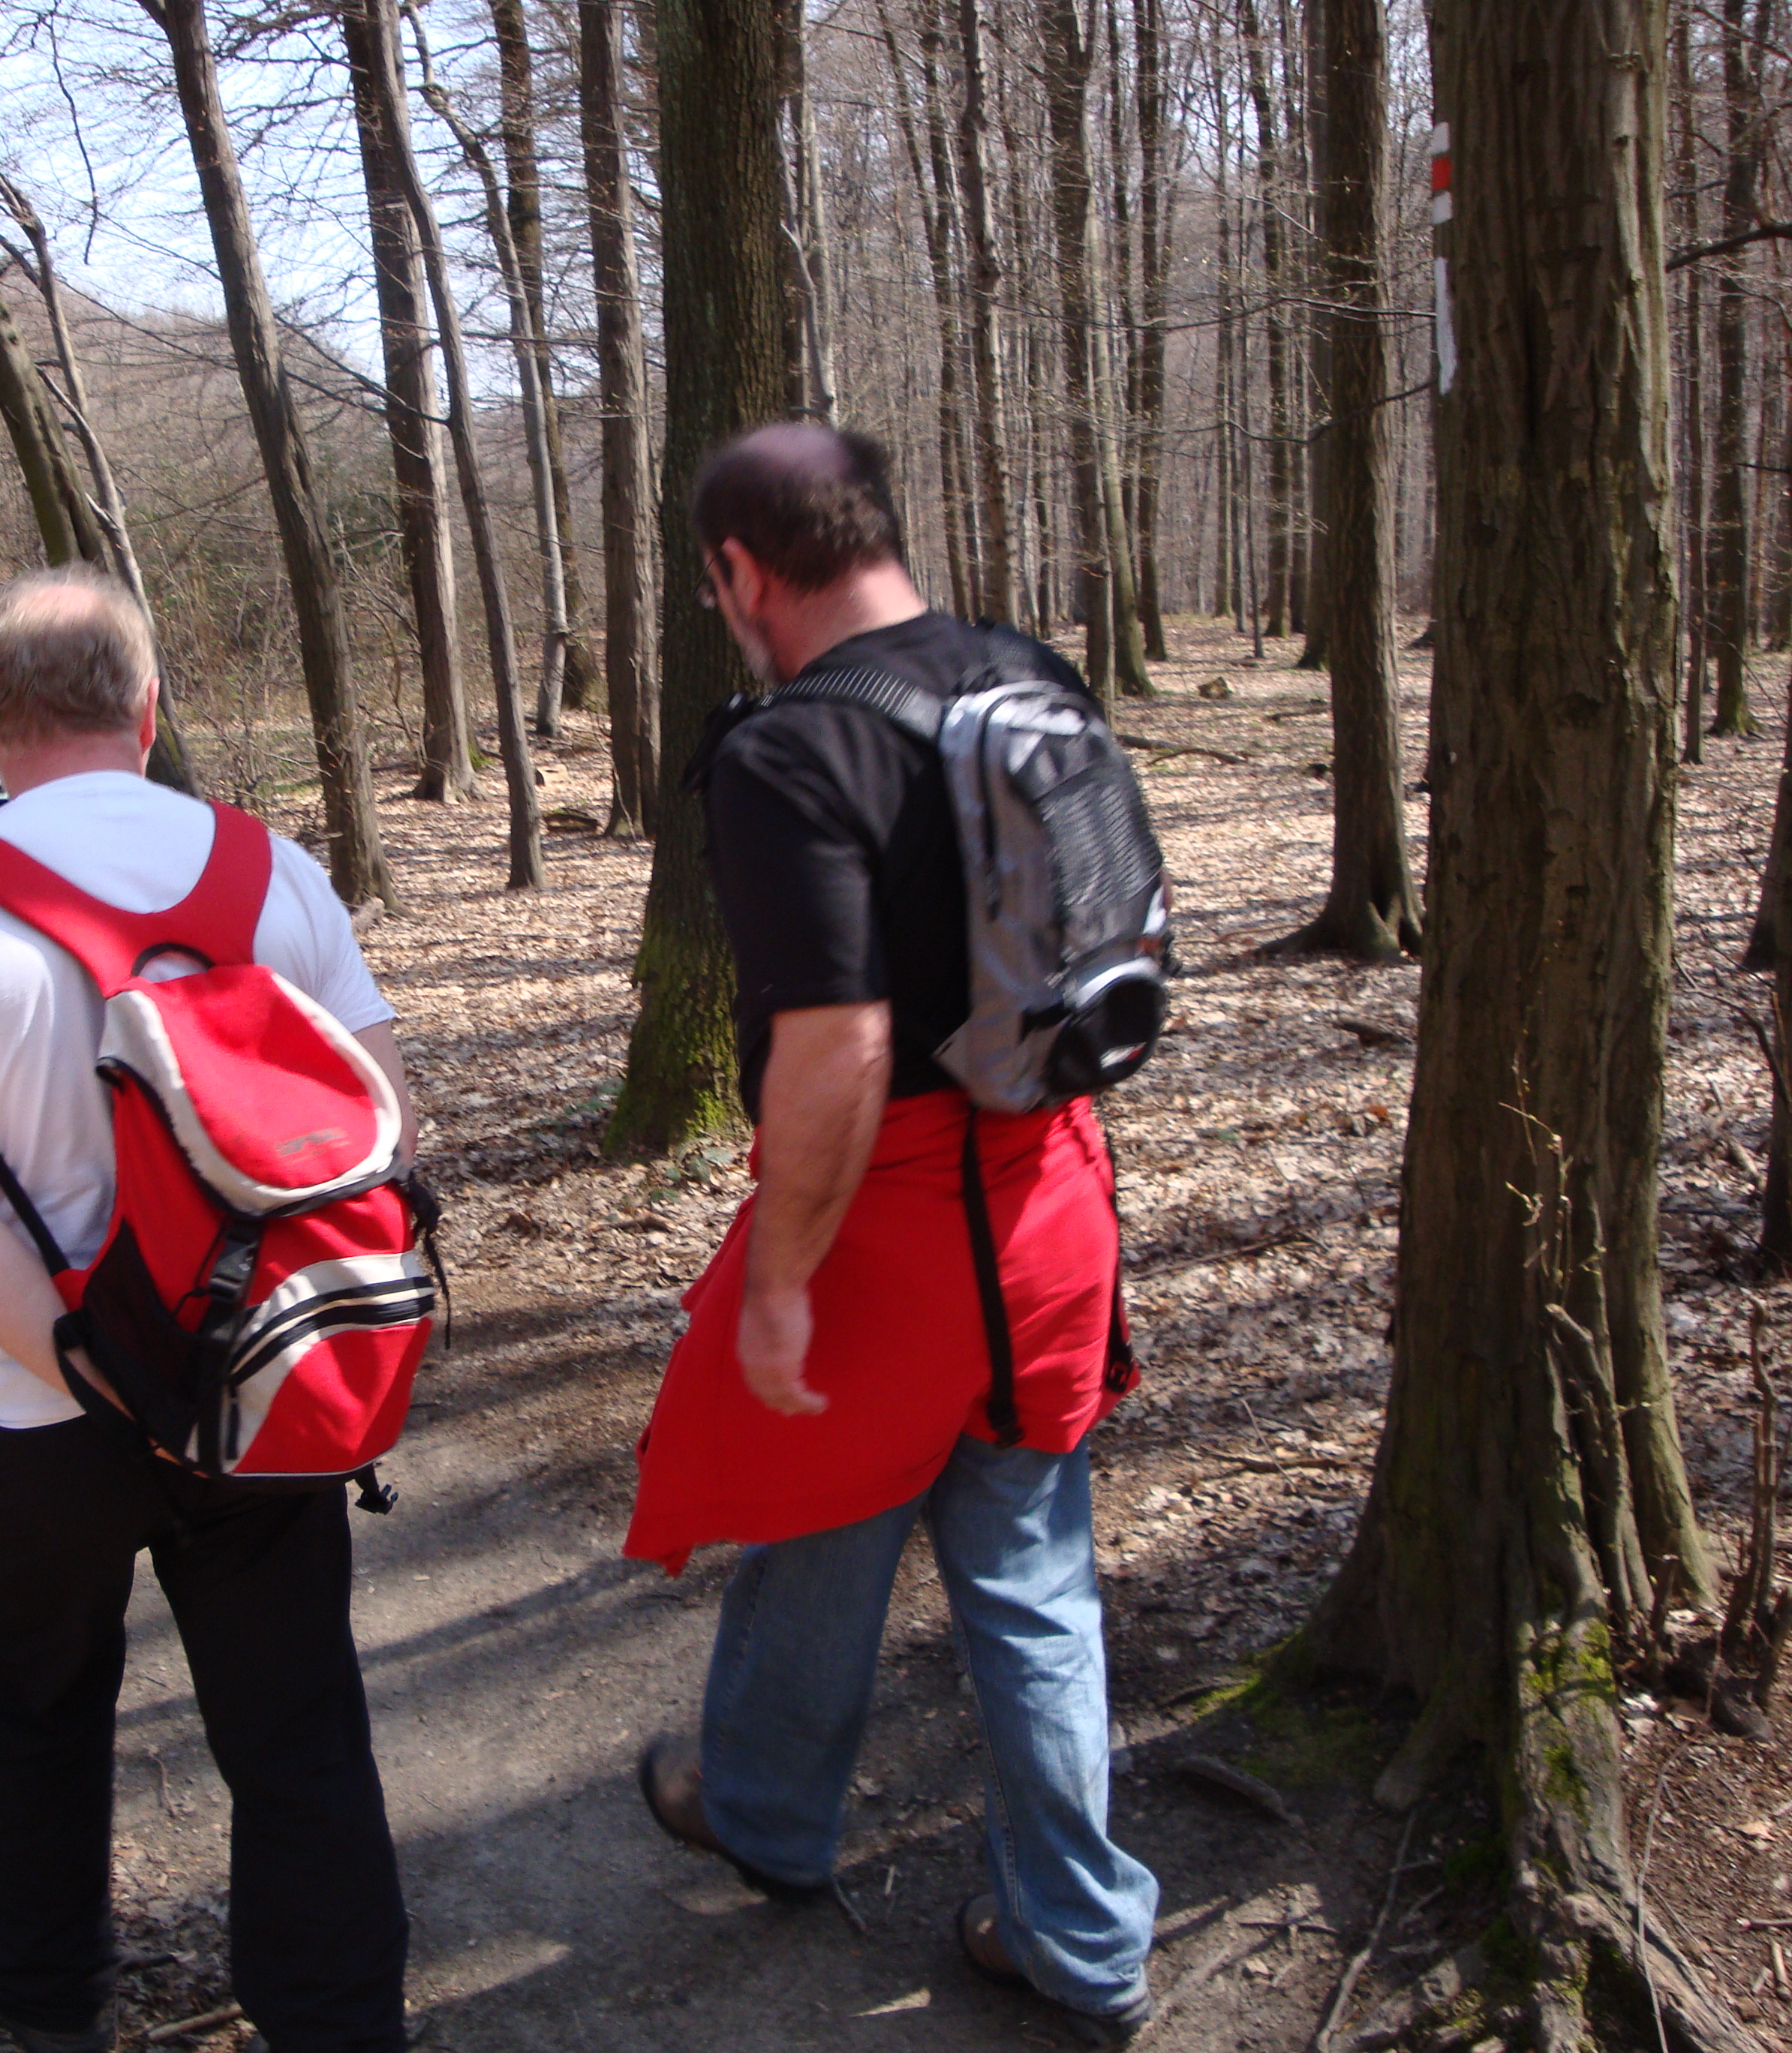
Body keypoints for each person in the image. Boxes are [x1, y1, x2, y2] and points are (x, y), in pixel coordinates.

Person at [623, 424, 1159, 2045]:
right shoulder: (1027, 672)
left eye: (713, 584)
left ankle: (793, 1824)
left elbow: (837, 1048)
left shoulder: (793, 752)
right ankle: (1046, 1923)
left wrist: (783, 1275)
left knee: (844, 1511)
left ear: (741, 571)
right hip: (1056, 1192)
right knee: (1018, 1559)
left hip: (900, 1217)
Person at [0, 566, 412, 2053]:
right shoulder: (269, 873)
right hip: (256, 1389)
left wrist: (93, 1364)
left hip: (36, 1412)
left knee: (31, 1710)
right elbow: (380, 1128)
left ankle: (44, 1993)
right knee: (296, 1726)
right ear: (149, 711)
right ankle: (336, 2018)